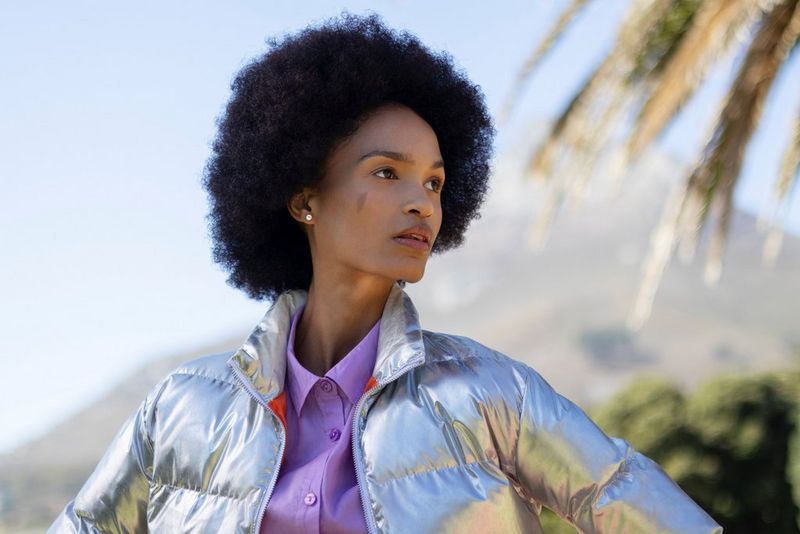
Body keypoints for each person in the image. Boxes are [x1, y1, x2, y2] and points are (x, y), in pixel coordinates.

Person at [50, 11, 722, 534]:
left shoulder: (492, 397)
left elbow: (624, 495)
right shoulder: (180, 409)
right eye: (386, 172)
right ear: (303, 197)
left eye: (434, 181)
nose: (420, 201)